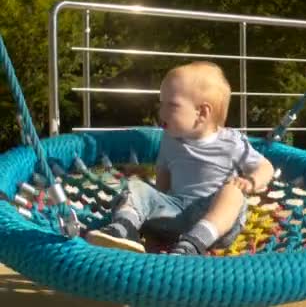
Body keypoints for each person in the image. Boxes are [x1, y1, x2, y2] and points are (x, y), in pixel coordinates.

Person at [86, 61, 274, 255]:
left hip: (216, 221)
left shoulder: (232, 141)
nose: (161, 112)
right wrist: (148, 202)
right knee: (135, 186)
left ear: (202, 112)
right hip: (174, 214)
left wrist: (251, 182)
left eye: (172, 105)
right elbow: (163, 183)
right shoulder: (170, 139)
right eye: (161, 104)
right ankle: (124, 228)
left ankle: (195, 242)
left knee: (232, 194)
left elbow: (265, 167)